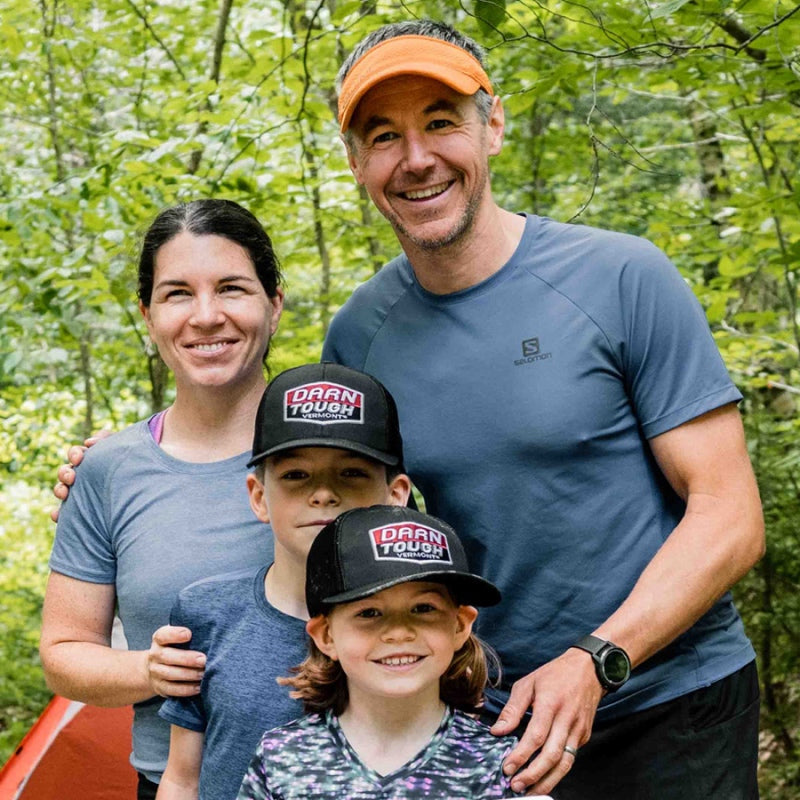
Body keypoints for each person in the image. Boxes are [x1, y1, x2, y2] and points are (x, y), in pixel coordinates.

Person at [321, 19, 766, 799]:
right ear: (357, 162)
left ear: (492, 125)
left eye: (439, 122)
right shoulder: (360, 337)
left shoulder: (622, 278)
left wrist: (597, 658)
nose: (416, 158)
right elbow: (323, 516)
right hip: (499, 722)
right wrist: (128, 464)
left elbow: (730, 515)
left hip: (673, 702)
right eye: (383, 135)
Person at [40, 199, 285, 799]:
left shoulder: (337, 449)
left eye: (232, 288)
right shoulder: (108, 471)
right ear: (148, 316)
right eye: (177, 294)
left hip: (345, 778)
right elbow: (65, 651)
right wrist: (148, 670)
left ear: (274, 304)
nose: (206, 317)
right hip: (179, 784)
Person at [155, 362, 412, 800]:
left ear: (396, 495)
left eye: (351, 472)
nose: (324, 493)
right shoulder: (205, 613)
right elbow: (183, 777)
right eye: (296, 475)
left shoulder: (426, 628)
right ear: (258, 496)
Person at [237, 504, 547, 800]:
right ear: (326, 635)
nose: (399, 632)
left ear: (460, 625)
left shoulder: (501, 762)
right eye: (369, 613)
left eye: (423, 608)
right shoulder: (283, 755)